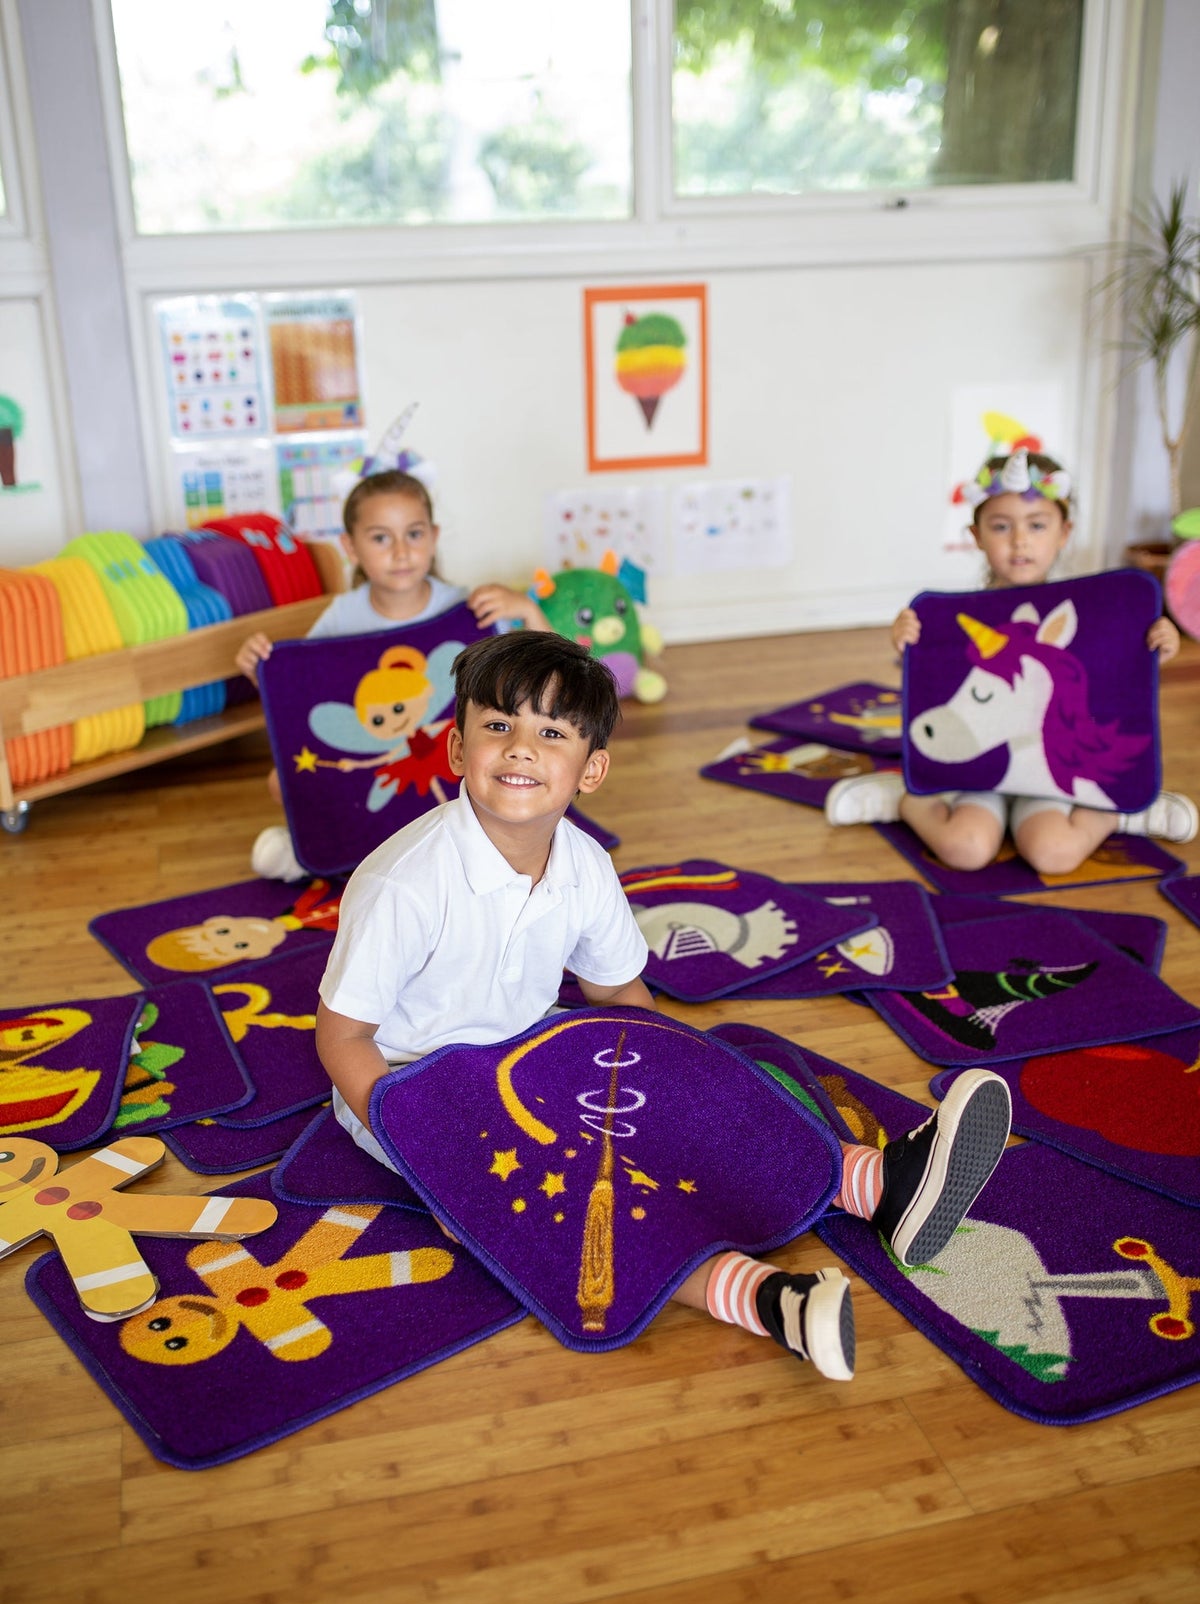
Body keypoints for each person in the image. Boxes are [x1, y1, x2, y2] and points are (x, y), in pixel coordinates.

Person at [316, 629, 1013, 1385]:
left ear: (592, 769)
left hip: (528, 1054)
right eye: (498, 727)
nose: (520, 749)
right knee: (558, 1183)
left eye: (550, 732)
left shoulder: (583, 862)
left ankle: (872, 1183)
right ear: (457, 749)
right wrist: (427, 1143)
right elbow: (343, 1033)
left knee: (687, 1084)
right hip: (413, 1083)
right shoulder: (405, 884)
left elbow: (620, 995)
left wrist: (686, 1088)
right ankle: (765, 1299)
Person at [825, 448, 1197, 872]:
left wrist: (1157, 645)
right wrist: (905, 637)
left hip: (1049, 773)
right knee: (965, 849)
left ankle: (1126, 808)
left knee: (1053, 853)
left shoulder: (1092, 616)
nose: (1020, 541)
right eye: (1001, 527)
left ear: (1063, 532)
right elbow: (936, 678)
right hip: (978, 770)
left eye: (1037, 526)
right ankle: (906, 798)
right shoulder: (953, 619)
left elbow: (1112, 674)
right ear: (978, 535)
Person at [234, 468, 548, 882]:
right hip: (373, 765)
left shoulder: (469, 609)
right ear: (350, 547)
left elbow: (547, 673)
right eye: (381, 538)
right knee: (283, 781)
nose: (401, 551)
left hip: (451, 762)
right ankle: (320, 851)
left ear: (434, 537)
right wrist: (260, 668)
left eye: (414, 534)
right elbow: (299, 694)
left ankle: (451, 847)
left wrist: (527, 611)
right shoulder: (342, 616)